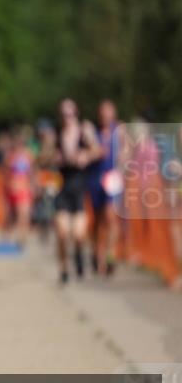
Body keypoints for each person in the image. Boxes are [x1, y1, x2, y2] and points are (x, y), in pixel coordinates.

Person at [49, 98, 101, 284]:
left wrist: (85, 156)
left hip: (80, 187)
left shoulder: (84, 130)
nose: (67, 118)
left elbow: (98, 150)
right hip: (63, 187)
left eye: (70, 114)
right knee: (62, 232)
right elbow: (43, 157)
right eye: (64, 114)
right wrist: (54, 157)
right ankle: (63, 268)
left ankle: (79, 255)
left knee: (79, 235)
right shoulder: (55, 134)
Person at [87, 100, 122, 276]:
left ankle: (110, 255)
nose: (105, 116)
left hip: (113, 179)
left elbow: (126, 152)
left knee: (111, 217)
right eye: (102, 112)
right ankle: (95, 253)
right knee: (98, 220)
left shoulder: (120, 131)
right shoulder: (93, 132)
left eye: (108, 112)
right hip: (95, 179)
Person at [5, 127, 35, 247]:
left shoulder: (28, 155)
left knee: (24, 213)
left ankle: (22, 237)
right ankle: (9, 233)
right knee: (14, 214)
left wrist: (33, 185)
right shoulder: (10, 156)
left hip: (25, 188)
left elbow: (32, 172)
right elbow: (6, 172)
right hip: (13, 188)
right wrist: (8, 186)